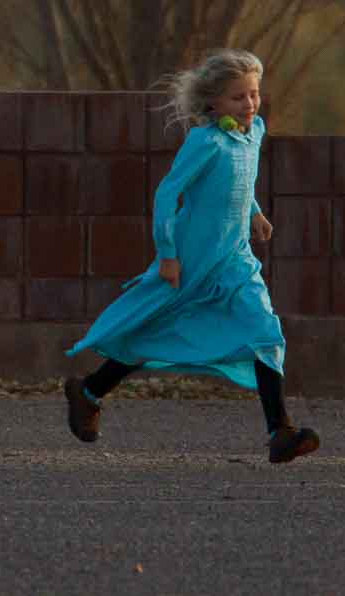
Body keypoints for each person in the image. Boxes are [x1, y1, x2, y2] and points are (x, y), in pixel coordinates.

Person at [61, 49, 321, 464]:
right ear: (213, 101)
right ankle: (88, 392)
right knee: (150, 331)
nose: (250, 104)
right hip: (193, 260)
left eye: (253, 94)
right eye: (238, 97)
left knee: (266, 334)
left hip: (235, 260)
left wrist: (255, 214)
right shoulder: (205, 141)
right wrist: (168, 255)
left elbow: (241, 181)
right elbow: (168, 194)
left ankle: (281, 433)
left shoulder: (253, 133)